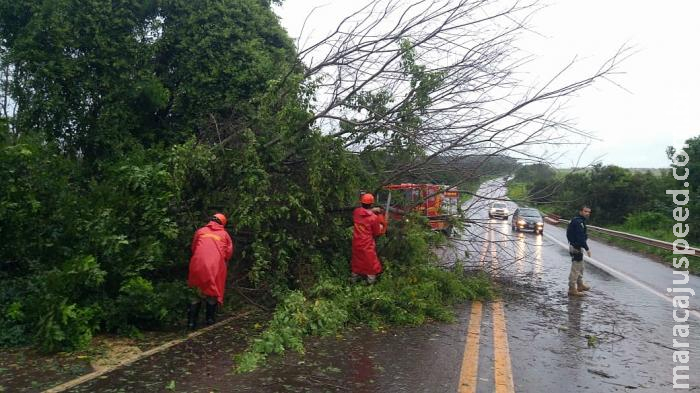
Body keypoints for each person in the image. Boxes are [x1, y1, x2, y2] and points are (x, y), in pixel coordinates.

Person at [187, 213, 234, 329]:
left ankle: (191, 322)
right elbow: (228, 253)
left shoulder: (200, 231)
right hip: (215, 266)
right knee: (212, 291)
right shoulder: (224, 234)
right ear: (223, 223)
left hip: (197, 265)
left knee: (195, 292)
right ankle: (210, 320)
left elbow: (193, 248)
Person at [350, 193, 387, 284]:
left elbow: (363, 212)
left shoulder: (356, 212)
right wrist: (381, 225)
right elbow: (377, 232)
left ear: (361, 202)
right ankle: (371, 283)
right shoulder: (374, 218)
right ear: (371, 204)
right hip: (367, 243)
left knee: (357, 261)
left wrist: (372, 210)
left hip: (356, 242)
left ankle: (353, 280)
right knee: (371, 263)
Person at [566, 206, 592, 296]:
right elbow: (580, 237)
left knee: (581, 267)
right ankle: (572, 288)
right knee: (576, 269)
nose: (587, 213)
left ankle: (580, 285)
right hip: (576, 247)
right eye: (585, 211)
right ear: (581, 211)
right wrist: (587, 249)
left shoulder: (578, 220)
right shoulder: (578, 222)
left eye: (589, 212)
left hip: (576, 246)